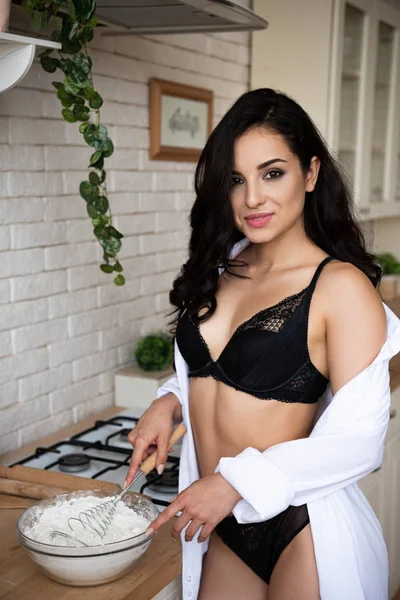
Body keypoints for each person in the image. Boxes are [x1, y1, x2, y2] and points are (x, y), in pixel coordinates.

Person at [124, 89, 400, 600]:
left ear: (311, 174)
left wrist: (232, 484)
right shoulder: (223, 264)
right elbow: (212, 370)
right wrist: (169, 400)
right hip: (227, 523)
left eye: (272, 173)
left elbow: (361, 440)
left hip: (301, 526)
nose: (253, 197)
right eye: (236, 179)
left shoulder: (339, 287)